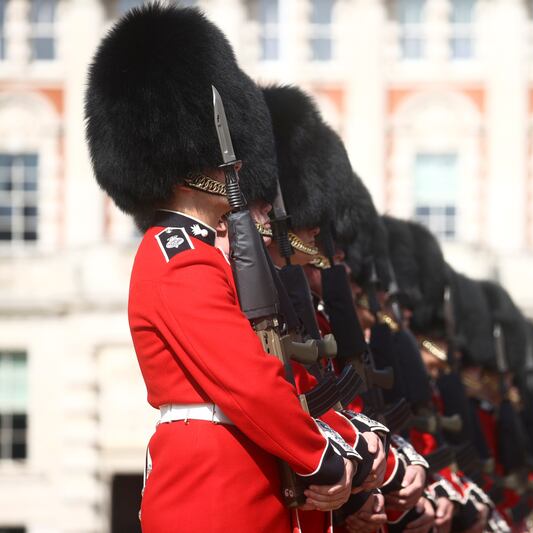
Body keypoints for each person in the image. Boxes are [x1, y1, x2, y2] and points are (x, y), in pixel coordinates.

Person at [85, 5, 355, 531]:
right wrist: (322, 456)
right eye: (223, 165)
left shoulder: (205, 255)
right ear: (189, 168)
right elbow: (248, 382)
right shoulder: (177, 257)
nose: (236, 173)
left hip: (246, 481)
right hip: (211, 490)